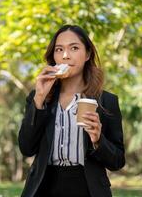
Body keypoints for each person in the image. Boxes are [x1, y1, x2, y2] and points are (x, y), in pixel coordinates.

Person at [18, 24, 125, 197]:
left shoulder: (107, 101)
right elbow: (26, 148)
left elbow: (117, 161)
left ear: (88, 54)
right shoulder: (39, 97)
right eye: (59, 49)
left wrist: (98, 140)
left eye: (74, 48)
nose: (65, 56)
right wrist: (38, 100)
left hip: (87, 188)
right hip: (44, 188)